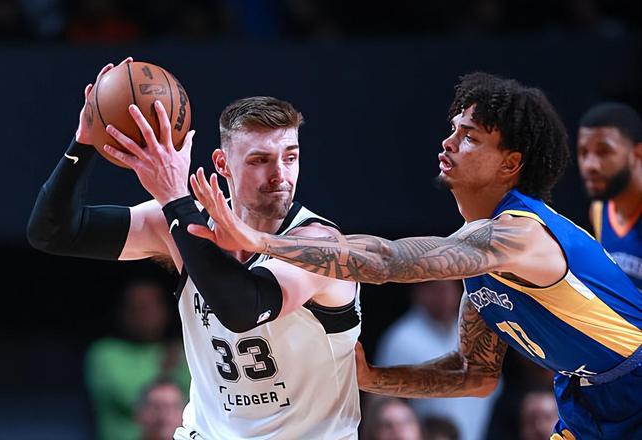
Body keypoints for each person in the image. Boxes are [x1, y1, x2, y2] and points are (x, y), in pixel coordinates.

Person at [187, 72, 642, 439]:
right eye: (453, 130)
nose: (449, 142)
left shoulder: (520, 235)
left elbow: (388, 260)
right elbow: (474, 374)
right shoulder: (481, 259)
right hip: (585, 400)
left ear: (510, 163)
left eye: (469, 137)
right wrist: (372, 378)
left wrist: (260, 240)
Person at [27, 59, 361, 439]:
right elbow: (54, 232)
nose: (279, 175)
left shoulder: (318, 245)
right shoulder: (182, 219)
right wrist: (84, 143)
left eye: (290, 157)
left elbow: (243, 309)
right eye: (260, 160)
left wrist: (174, 197)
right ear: (223, 164)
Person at [374, 281, 497, 440]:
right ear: (418, 293)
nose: (444, 296)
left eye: (449, 288)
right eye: (435, 289)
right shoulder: (401, 339)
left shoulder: (478, 331)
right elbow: (385, 405)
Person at [85, 278, 190, 440]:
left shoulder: (182, 350)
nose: (143, 315)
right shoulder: (105, 352)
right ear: (122, 312)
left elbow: (195, 399)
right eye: (135, 308)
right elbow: (130, 396)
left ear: (165, 311)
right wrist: (166, 370)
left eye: (149, 307)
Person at [577, 102, 642, 290]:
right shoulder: (598, 211)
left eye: (603, 152)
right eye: (583, 153)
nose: (590, 165)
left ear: (637, 154)